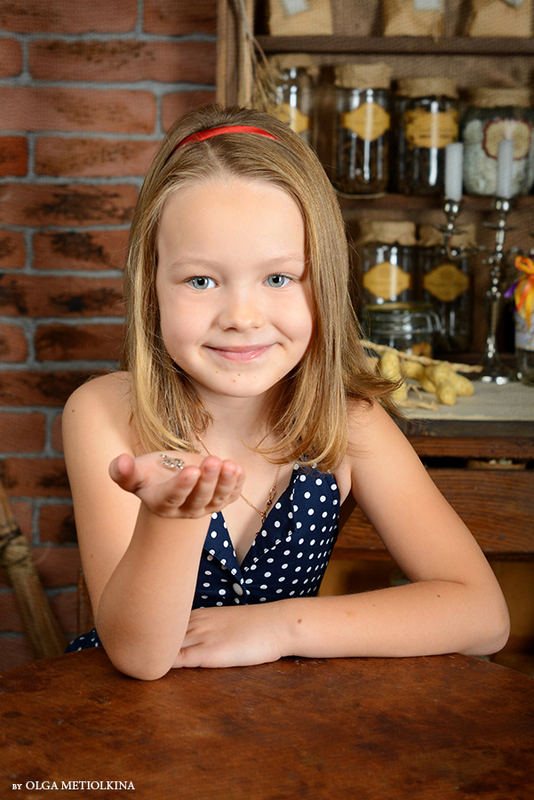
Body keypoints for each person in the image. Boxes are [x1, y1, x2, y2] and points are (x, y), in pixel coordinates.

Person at [63, 104, 509, 680]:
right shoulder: (103, 411)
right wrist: (171, 519)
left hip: (283, 722)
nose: (242, 317)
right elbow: (140, 657)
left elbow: (483, 615)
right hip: (125, 719)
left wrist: (278, 626)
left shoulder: (349, 423)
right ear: (151, 287)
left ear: (322, 281)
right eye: (201, 279)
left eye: (278, 278)